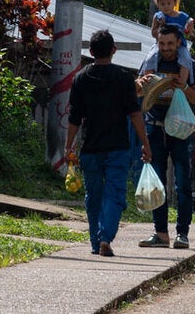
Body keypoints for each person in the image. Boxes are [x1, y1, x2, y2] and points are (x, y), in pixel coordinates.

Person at [65, 30, 151, 257]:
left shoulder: (80, 78)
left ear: (91, 52)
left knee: (93, 196)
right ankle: (105, 238)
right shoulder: (124, 79)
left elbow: (74, 117)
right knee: (114, 194)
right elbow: (135, 114)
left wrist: (68, 146)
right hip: (118, 148)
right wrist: (146, 143)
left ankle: (96, 243)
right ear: (114, 50)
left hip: (90, 148)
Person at [136, 24, 195, 249]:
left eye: (170, 44)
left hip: (179, 130)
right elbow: (136, 92)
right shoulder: (149, 63)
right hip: (154, 127)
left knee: (182, 183)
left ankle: (182, 234)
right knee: (157, 182)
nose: (165, 48)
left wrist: (183, 88)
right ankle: (160, 234)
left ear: (178, 44)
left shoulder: (189, 65)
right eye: (162, 43)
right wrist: (141, 85)